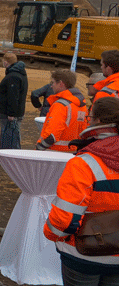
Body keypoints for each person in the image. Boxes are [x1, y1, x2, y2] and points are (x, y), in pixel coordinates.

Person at [44, 97, 119, 285]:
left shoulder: (84, 163)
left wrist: (53, 236)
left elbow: (64, 218)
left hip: (84, 253)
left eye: (90, 116)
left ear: (98, 121)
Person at [35, 69, 89, 152]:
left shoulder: (60, 105)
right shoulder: (81, 106)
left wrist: (39, 147)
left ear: (61, 83)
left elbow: (52, 133)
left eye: (52, 83)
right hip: (73, 152)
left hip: (54, 152)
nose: (51, 86)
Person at [0, 52, 28, 152]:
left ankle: (8, 154)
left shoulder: (13, 76)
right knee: (12, 134)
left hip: (9, 113)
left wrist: (11, 113)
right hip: (14, 111)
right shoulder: (19, 73)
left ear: (6, 62)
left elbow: (13, 96)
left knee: (9, 135)